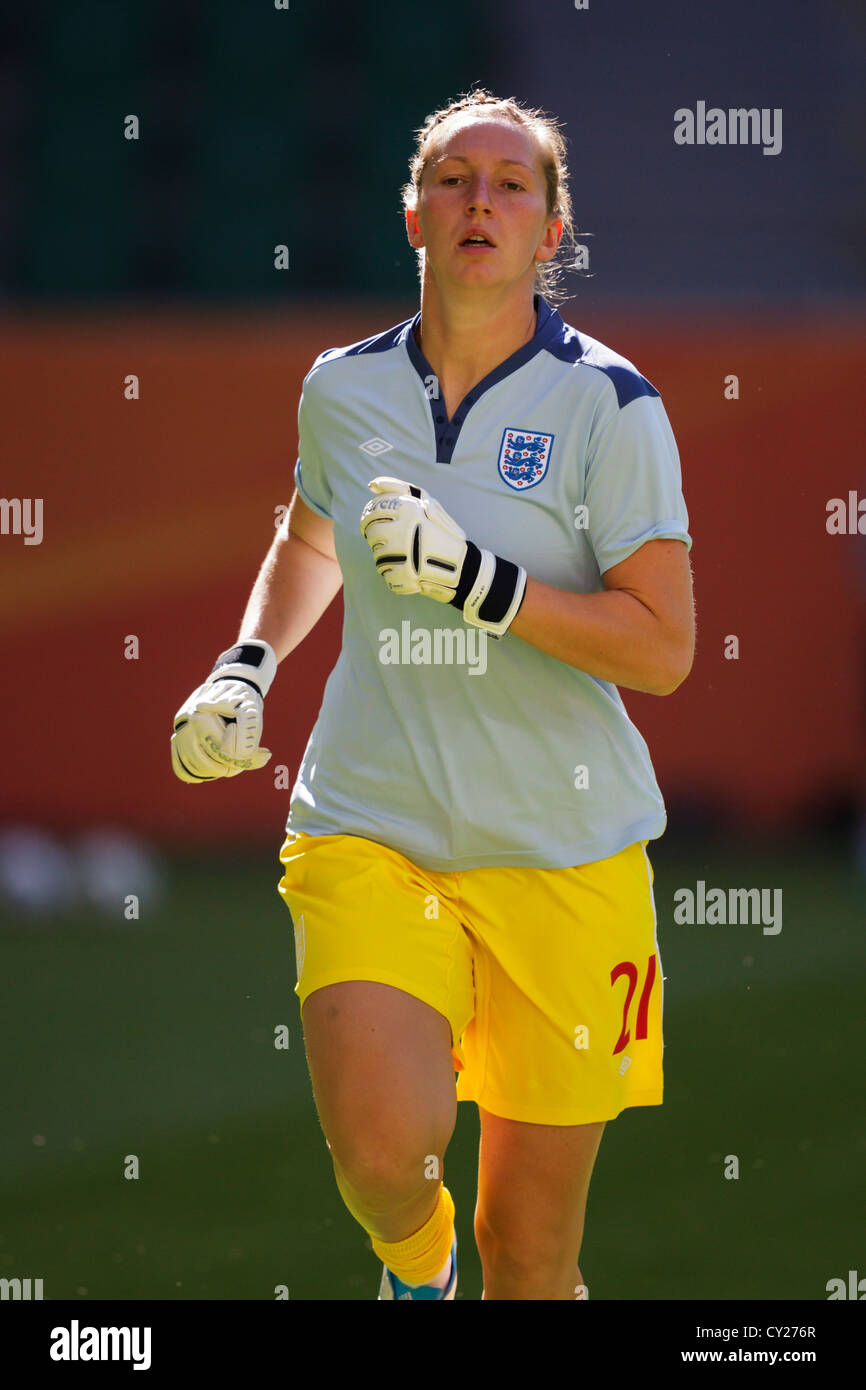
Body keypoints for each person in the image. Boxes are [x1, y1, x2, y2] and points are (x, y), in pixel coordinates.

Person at [171, 87, 695, 1301]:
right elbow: (308, 542)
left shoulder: (611, 408)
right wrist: (245, 664)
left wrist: (486, 584)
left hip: (566, 855)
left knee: (533, 1253)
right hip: (370, 823)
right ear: (413, 216)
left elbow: (663, 648)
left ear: (548, 231)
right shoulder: (339, 389)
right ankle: (415, 1266)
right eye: (455, 179)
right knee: (383, 1157)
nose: (481, 201)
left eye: (513, 184)